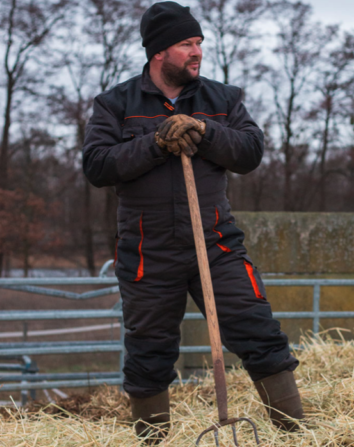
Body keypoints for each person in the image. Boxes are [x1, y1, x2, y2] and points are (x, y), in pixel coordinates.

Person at [83, 2, 303, 443]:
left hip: (218, 245)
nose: (196, 51)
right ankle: (153, 439)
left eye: (199, 42)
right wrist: (155, 143)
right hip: (148, 253)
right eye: (186, 43)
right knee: (149, 354)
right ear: (159, 52)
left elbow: (250, 152)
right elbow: (97, 166)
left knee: (259, 332)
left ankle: (296, 433)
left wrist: (204, 131)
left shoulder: (222, 99)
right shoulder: (116, 104)